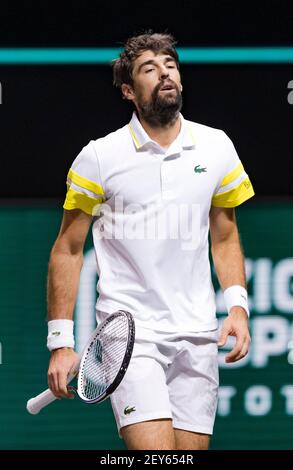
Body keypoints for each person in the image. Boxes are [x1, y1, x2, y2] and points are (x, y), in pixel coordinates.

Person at [46, 32, 254, 450]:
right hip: (129, 336)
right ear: (128, 90)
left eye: (170, 65)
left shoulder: (217, 146)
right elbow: (67, 251)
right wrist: (60, 343)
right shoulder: (99, 157)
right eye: (149, 68)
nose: (165, 72)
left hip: (197, 333)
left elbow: (226, 235)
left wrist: (238, 305)